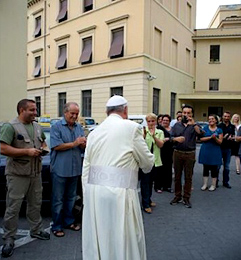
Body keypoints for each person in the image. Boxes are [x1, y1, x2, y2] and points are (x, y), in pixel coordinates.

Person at [82, 95, 154, 260]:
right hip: (120, 191)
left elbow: (86, 166)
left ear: (107, 112)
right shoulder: (132, 128)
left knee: (101, 234)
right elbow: (147, 163)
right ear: (125, 110)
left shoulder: (94, 132)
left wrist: (87, 193)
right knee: (124, 237)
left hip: (95, 192)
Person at [0, 99, 50, 258]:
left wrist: (43, 149)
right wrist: (27, 152)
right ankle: (9, 238)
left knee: (36, 204)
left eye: (35, 110)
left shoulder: (36, 126)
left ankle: (36, 230)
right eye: (32, 110)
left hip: (35, 173)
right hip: (17, 175)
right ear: (22, 110)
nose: (36, 113)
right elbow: (3, 148)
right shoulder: (10, 127)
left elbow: (43, 142)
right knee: (13, 207)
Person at [50, 102, 86, 237]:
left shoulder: (79, 127)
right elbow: (56, 146)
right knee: (58, 199)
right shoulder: (56, 127)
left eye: (77, 113)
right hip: (60, 169)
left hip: (75, 169)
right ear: (65, 113)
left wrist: (84, 144)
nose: (75, 116)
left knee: (71, 198)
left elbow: (81, 147)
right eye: (72, 113)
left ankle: (68, 222)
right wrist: (75, 143)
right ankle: (57, 226)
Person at [170, 104, 202, 208]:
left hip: (190, 154)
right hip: (177, 153)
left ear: (192, 114)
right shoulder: (176, 125)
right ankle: (177, 196)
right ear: (182, 113)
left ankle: (186, 198)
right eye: (184, 113)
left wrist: (194, 125)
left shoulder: (195, 125)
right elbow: (170, 137)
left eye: (189, 113)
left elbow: (201, 134)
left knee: (188, 177)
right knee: (177, 177)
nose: (186, 115)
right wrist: (175, 139)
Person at [140, 113, 164, 213]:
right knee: (145, 182)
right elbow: (140, 144)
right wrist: (144, 135)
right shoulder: (142, 130)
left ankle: (148, 200)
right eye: (149, 121)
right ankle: (145, 204)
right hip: (145, 161)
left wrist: (154, 136)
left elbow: (161, 145)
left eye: (152, 121)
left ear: (156, 121)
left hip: (155, 161)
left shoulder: (159, 132)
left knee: (150, 182)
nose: (150, 123)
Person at [198, 115, 223, 191]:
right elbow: (201, 139)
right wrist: (210, 137)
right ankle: (205, 184)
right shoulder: (204, 128)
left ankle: (213, 185)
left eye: (212, 119)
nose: (210, 120)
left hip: (215, 151)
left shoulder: (219, 130)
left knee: (214, 168)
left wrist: (215, 138)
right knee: (205, 168)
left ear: (216, 120)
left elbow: (220, 142)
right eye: (209, 119)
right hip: (206, 150)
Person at [217, 111, 235, 188]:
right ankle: (216, 181)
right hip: (219, 148)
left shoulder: (232, 126)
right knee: (217, 166)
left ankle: (225, 182)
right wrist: (223, 137)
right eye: (225, 116)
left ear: (230, 117)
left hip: (228, 148)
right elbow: (217, 136)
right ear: (222, 117)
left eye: (228, 116)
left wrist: (232, 137)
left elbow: (233, 135)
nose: (226, 118)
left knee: (227, 166)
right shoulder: (219, 126)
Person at [157, 114, 174, 192]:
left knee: (168, 168)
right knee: (160, 168)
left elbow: (175, 138)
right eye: (164, 120)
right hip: (160, 150)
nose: (165, 122)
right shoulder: (158, 129)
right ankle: (159, 186)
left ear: (169, 121)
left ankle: (167, 186)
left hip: (170, 150)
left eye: (167, 120)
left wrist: (170, 139)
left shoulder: (172, 129)